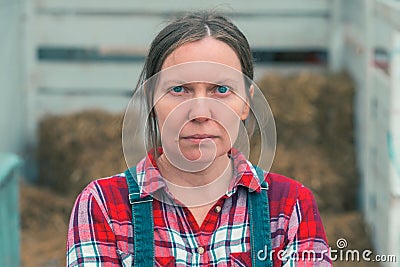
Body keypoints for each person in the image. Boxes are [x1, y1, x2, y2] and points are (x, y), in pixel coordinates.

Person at [66, 11, 332, 266]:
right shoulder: (103, 207)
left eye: (221, 89)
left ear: (246, 103)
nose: (200, 113)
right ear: (150, 100)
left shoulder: (290, 207)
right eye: (179, 89)